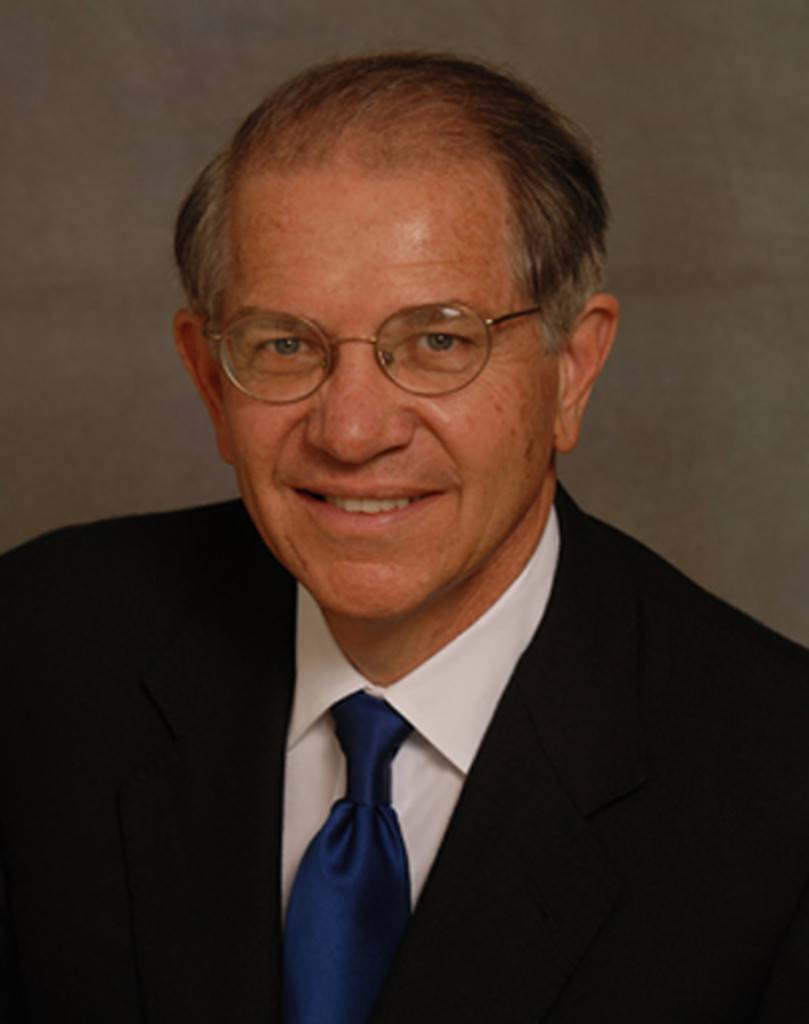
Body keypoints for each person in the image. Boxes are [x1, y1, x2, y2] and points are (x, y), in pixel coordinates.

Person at [1, 52, 808, 1024]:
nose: (352, 432)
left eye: (437, 341)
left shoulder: (777, 784)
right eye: (284, 344)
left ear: (571, 368)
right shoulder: (38, 648)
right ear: (210, 381)